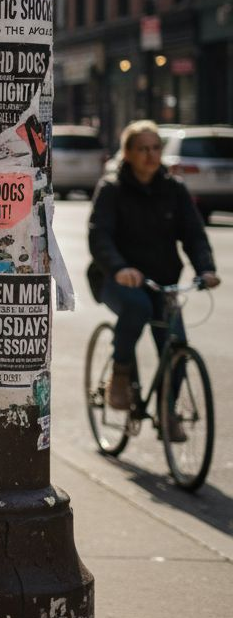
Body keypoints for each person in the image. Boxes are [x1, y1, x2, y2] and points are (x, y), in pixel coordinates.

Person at [88, 120, 220, 428]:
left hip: (163, 281)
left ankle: (167, 409)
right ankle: (120, 373)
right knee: (137, 307)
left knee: (176, 346)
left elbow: (194, 235)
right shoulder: (112, 189)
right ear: (128, 153)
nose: (150, 155)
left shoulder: (174, 189)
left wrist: (206, 269)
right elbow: (100, 236)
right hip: (116, 278)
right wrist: (120, 268)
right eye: (142, 149)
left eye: (155, 148)